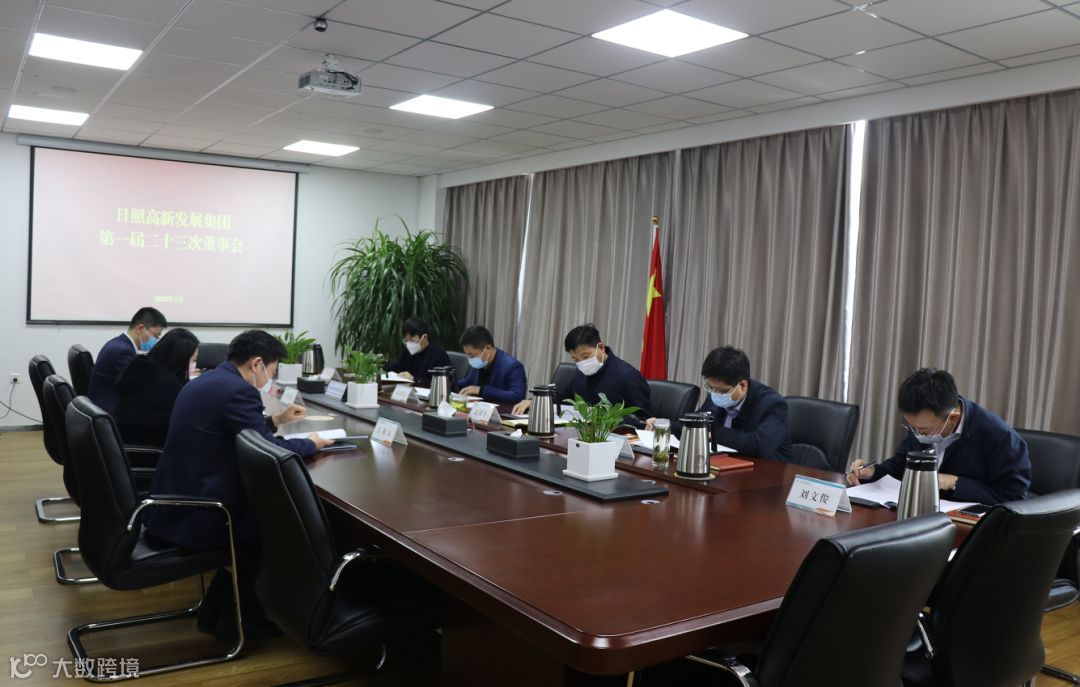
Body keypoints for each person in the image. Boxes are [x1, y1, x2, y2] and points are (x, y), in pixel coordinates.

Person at [145, 330, 335, 639]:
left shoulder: (206, 380)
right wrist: (311, 443)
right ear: (257, 363)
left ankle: (227, 607)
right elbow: (267, 450)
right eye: (271, 370)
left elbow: (239, 432)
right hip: (202, 514)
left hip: (173, 502)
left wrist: (277, 421)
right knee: (279, 525)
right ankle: (249, 616)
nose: (270, 379)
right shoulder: (239, 391)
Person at [847, 367, 1030, 505]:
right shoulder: (922, 425)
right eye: (912, 427)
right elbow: (900, 465)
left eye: (923, 430)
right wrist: (873, 472)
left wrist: (954, 482)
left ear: (953, 417)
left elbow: (1014, 499)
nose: (917, 434)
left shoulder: (1000, 438)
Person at [648, 346, 791, 460]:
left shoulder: (772, 404)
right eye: (711, 387)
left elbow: (761, 445)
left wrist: (715, 435)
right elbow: (696, 424)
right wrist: (664, 425)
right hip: (724, 466)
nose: (715, 394)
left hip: (766, 475)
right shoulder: (716, 394)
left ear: (742, 386)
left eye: (721, 390)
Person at [513, 324, 652, 428]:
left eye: (586, 356)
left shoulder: (628, 376)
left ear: (601, 348)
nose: (582, 363)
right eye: (576, 359)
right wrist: (536, 401)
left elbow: (643, 420)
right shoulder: (580, 372)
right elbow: (563, 399)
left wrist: (605, 417)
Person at [112, 328, 199, 447]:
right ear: (180, 360)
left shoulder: (141, 367)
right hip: (147, 449)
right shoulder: (167, 387)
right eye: (194, 360)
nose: (195, 365)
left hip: (121, 442)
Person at [87, 307, 167, 413]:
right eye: (155, 336)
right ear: (140, 329)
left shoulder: (119, 344)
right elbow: (136, 387)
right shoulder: (123, 352)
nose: (156, 341)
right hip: (108, 409)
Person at [453, 325, 527, 404]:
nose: (470, 359)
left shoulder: (513, 366)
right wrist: (450, 384)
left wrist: (481, 390)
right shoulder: (479, 363)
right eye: (468, 355)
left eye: (472, 355)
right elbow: (469, 382)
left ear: (487, 348)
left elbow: (517, 396)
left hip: (500, 410)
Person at [383, 317, 452, 386]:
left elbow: (445, 383)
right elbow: (396, 367)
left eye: (413, 340)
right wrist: (381, 369)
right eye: (406, 341)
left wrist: (414, 380)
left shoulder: (438, 354)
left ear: (424, 337)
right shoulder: (409, 351)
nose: (409, 344)